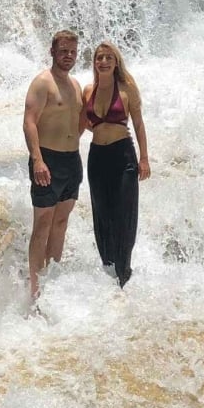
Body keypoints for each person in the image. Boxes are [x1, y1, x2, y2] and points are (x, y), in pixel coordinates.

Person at [22, 30, 85, 301]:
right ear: (52, 52)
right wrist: (37, 159)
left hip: (72, 161)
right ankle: (35, 291)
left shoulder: (76, 85)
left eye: (72, 51)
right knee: (43, 224)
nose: (68, 55)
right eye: (63, 51)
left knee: (61, 222)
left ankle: (52, 283)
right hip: (47, 160)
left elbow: (80, 122)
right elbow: (29, 122)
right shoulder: (42, 83)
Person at [81, 41, 150, 288]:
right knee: (102, 214)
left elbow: (139, 124)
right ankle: (108, 270)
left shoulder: (127, 88)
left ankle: (124, 271)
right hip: (97, 157)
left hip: (123, 156)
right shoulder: (88, 90)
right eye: (99, 57)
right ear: (94, 62)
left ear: (116, 61)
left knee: (124, 214)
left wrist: (144, 158)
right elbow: (82, 123)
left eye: (109, 57)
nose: (104, 61)